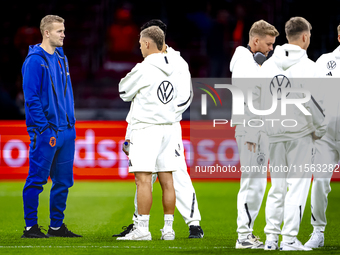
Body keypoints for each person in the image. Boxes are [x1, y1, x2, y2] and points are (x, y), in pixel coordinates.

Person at [113, 19, 203, 239]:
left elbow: (185, 97)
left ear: (150, 41)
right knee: (166, 177)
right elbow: (140, 102)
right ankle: (159, 226)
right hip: (164, 125)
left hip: (161, 125)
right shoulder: (169, 62)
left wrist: (169, 114)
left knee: (152, 177)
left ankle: (192, 223)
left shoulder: (171, 63)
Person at [247, 17, 326, 251]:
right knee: (298, 187)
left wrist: (253, 131)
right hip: (300, 134)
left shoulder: (269, 66)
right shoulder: (311, 68)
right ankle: (289, 240)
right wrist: (319, 129)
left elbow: (256, 99)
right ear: (304, 37)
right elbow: (315, 103)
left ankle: (271, 239)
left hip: (274, 134)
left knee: (277, 187)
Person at [21, 15, 80, 238]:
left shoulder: (61, 58)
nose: (63, 34)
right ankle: (31, 227)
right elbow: (31, 98)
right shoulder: (35, 61)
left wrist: (69, 125)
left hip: (66, 130)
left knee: (63, 182)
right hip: (46, 132)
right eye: (59, 31)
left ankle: (56, 227)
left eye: (63, 30)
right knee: (36, 180)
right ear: (46, 33)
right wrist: (44, 129)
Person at [229, 20, 279, 249]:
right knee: (253, 183)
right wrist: (251, 132)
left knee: (256, 183)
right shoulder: (244, 64)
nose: (271, 49)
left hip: (258, 128)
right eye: (268, 44)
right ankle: (243, 236)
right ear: (255, 40)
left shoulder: (251, 64)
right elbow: (247, 99)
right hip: (253, 130)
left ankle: (246, 234)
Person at [304, 24, 340, 249]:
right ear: (338, 35)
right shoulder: (325, 61)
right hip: (326, 134)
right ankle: (318, 232)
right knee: (319, 182)